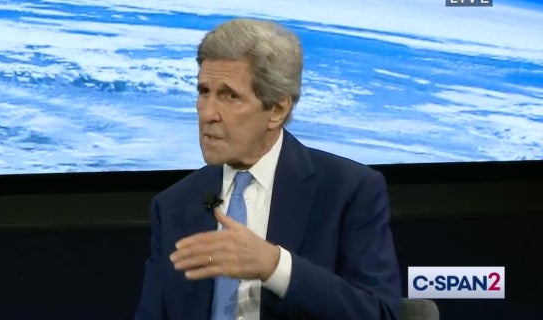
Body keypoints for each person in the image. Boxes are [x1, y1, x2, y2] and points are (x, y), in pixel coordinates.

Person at [135, 18, 401, 320]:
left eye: (229, 95)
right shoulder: (174, 205)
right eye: (204, 91)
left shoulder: (348, 192)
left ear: (277, 110)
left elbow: (380, 314)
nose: (208, 113)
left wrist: (275, 266)